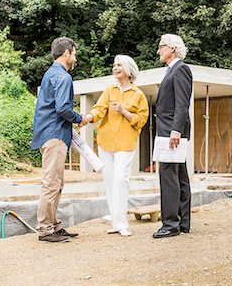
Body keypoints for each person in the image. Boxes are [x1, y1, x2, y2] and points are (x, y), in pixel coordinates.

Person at [31, 37, 88, 243]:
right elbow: (63, 108)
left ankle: (53, 225)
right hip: (54, 135)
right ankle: (46, 229)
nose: (75, 57)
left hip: (48, 133)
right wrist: (81, 118)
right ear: (66, 54)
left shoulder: (50, 74)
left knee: (56, 182)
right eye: (74, 53)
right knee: (51, 183)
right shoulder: (63, 77)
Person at [85, 55, 149, 237]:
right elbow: (98, 109)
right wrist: (88, 118)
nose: (115, 67)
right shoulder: (109, 91)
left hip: (125, 144)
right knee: (110, 182)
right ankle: (116, 221)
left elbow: (141, 120)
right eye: (114, 65)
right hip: (105, 142)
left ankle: (122, 223)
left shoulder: (138, 95)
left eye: (119, 65)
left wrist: (124, 112)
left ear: (128, 69)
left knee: (121, 180)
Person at [153, 34, 192, 238]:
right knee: (180, 176)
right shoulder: (172, 70)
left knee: (168, 176)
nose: (158, 51)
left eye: (161, 47)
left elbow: (182, 103)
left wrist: (175, 131)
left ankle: (170, 224)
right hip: (171, 130)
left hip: (171, 132)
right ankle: (183, 222)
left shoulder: (180, 69)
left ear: (172, 48)